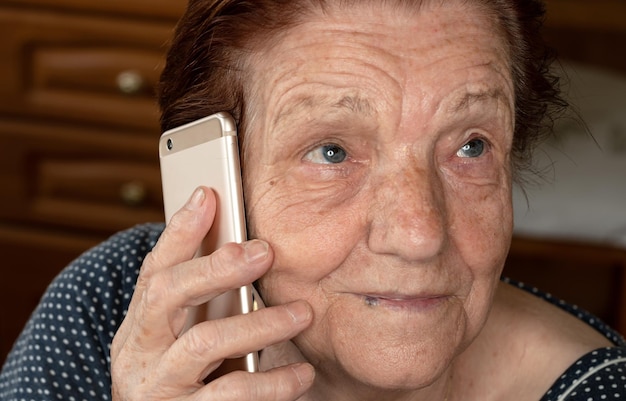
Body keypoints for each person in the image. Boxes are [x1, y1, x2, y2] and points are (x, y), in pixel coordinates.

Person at [1, 0, 625, 400]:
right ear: (218, 182)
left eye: (470, 147)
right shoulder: (108, 307)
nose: (419, 234)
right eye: (330, 151)